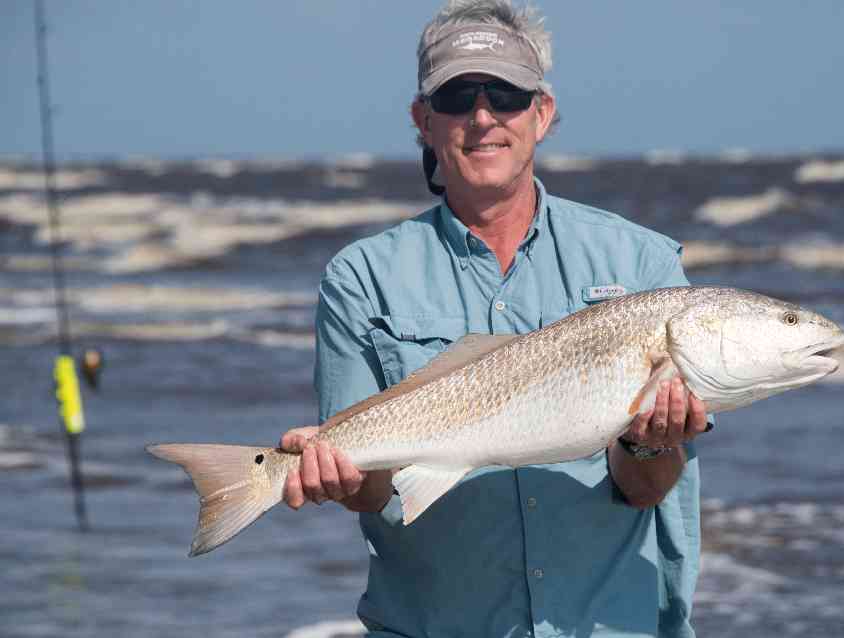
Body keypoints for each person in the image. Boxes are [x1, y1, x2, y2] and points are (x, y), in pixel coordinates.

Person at [280, 1, 711, 636]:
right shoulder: (360, 277)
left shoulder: (642, 261)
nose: (483, 117)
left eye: (505, 94)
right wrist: (336, 477)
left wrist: (652, 438)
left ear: (543, 112)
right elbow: (374, 495)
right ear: (422, 121)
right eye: (457, 97)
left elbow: (646, 489)